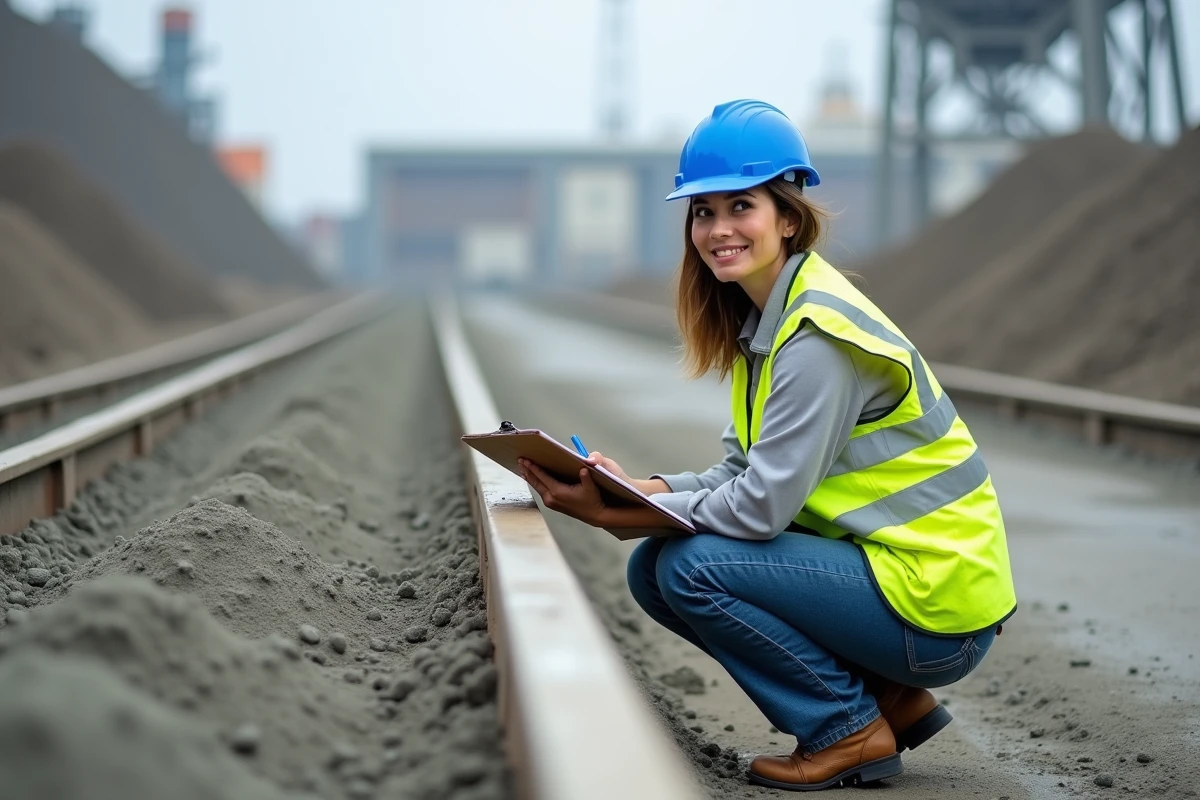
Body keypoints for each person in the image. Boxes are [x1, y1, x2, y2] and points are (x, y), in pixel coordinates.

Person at [517, 99, 1017, 792]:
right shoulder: (772, 319)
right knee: (654, 574)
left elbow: (758, 512)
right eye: (702, 212)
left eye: (739, 207)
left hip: (936, 609)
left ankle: (847, 727)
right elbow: (740, 470)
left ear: (788, 216)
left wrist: (618, 517)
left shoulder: (815, 336)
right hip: (907, 586)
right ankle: (891, 700)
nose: (718, 229)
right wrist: (642, 490)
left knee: (689, 567)